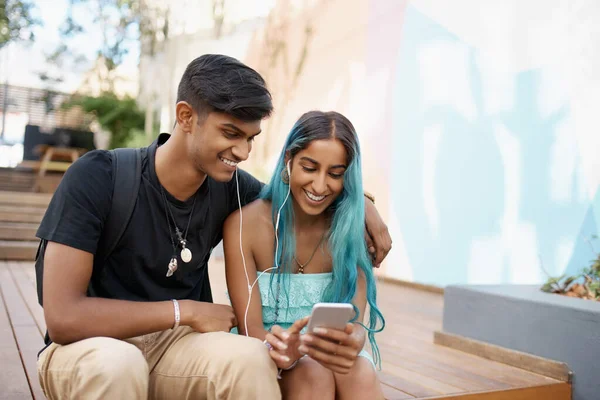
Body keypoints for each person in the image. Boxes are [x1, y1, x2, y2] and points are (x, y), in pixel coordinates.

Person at [36, 54, 392, 400]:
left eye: (250, 138)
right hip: (89, 349)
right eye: (231, 133)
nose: (242, 151)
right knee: (119, 363)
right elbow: (63, 317)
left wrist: (365, 206)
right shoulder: (99, 177)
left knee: (251, 357)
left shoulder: (232, 188)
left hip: (175, 348)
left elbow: (300, 192)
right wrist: (185, 310)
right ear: (186, 116)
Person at [223, 110, 386, 400]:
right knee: (313, 373)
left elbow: (356, 321)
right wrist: (289, 349)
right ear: (289, 160)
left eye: (335, 174)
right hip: (266, 350)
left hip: (332, 352)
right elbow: (251, 329)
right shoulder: (244, 225)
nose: (320, 186)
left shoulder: (351, 227)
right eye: (309, 168)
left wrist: (356, 337)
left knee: (360, 373)